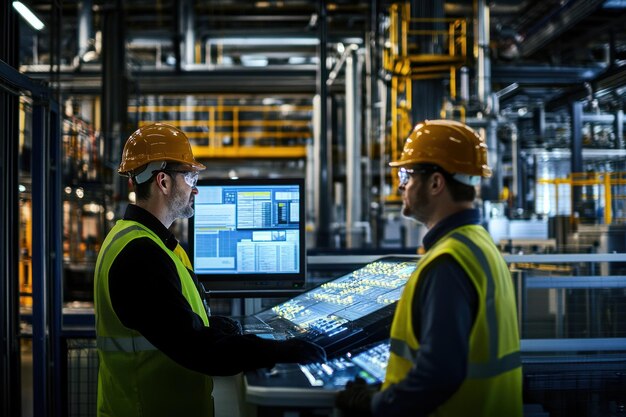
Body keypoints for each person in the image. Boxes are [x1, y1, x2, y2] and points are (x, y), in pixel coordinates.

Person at [94, 122, 326, 417]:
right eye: (189, 176)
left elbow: (165, 324)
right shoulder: (141, 254)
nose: (196, 189)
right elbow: (196, 349)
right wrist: (277, 352)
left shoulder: (142, 241)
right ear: (163, 181)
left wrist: (212, 325)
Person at [335, 120, 522, 417]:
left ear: (436, 183)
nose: (401, 185)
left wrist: (374, 404)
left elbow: (438, 375)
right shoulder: (479, 244)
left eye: (407, 175)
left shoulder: (448, 262)